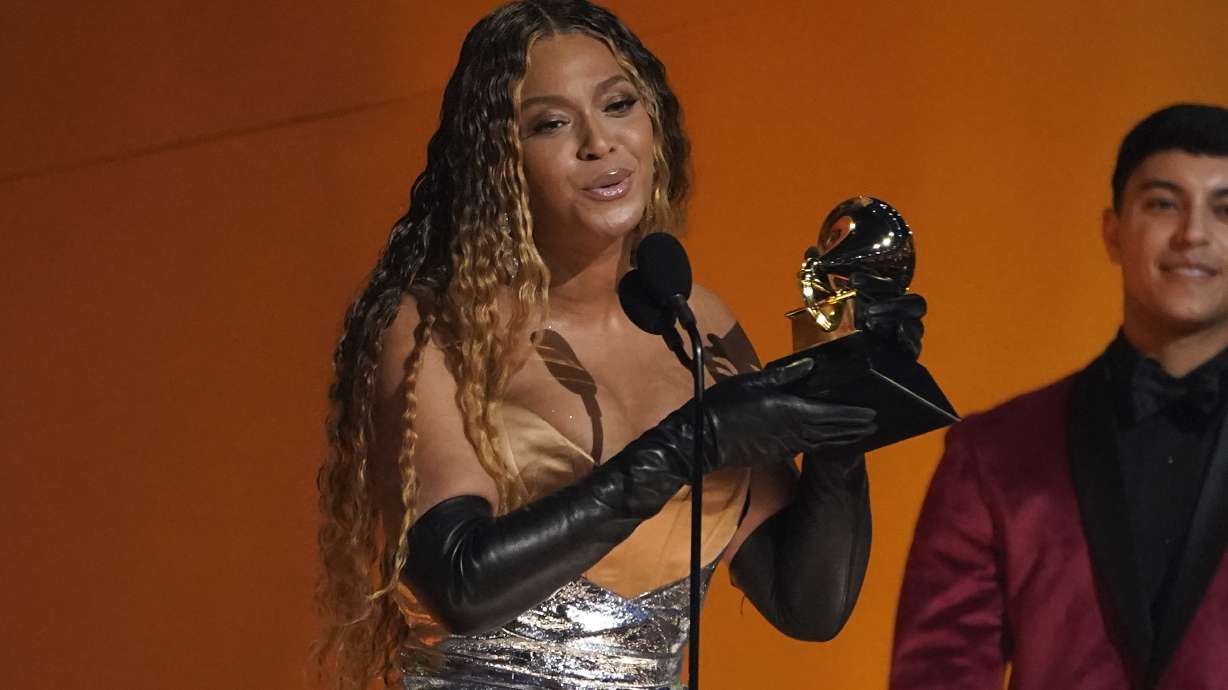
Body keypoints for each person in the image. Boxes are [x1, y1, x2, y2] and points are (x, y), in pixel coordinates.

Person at [314, 2, 925, 689]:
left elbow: (806, 603)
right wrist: (684, 449)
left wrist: (843, 407)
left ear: (654, 122)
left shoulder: (696, 321)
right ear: (499, 162)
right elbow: (459, 584)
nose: (599, 143)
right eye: (552, 123)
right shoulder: (434, 326)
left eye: (618, 104)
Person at [890, 103, 1228, 690]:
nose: (1193, 233)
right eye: (1163, 203)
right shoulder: (993, 454)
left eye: (1226, 209)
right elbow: (937, 676)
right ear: (1113, 231)